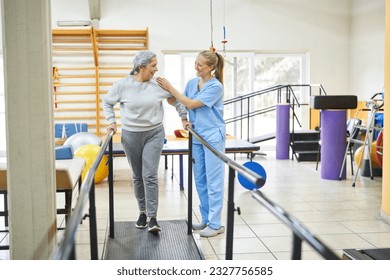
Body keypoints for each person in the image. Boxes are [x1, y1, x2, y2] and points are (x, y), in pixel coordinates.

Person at [103, 50, 189, 233]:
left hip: (154, 134)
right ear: (141, 67)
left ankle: (152, 217)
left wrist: (183, 119)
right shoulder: (122, 85)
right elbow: (107, 102)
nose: (156, 69)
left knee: (149, 175)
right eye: (153, 66)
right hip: (131, 135)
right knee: (137, 176)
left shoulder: (159, 86)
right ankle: (142, 212)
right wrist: (111, 122)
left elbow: (177, 102)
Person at [157, 50, 226, 237]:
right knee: (200, 180)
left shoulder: (215, 86)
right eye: (195, 63)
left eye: (200, 65)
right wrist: (183, 119)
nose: (196, 67)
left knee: (213, 181)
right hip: (196, 134)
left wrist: (171, 88)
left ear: (211, 67)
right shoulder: (191, 83)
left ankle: (216, 223)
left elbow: (192, 103)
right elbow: (183, 104)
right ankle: (206, 219)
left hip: (212, 135)